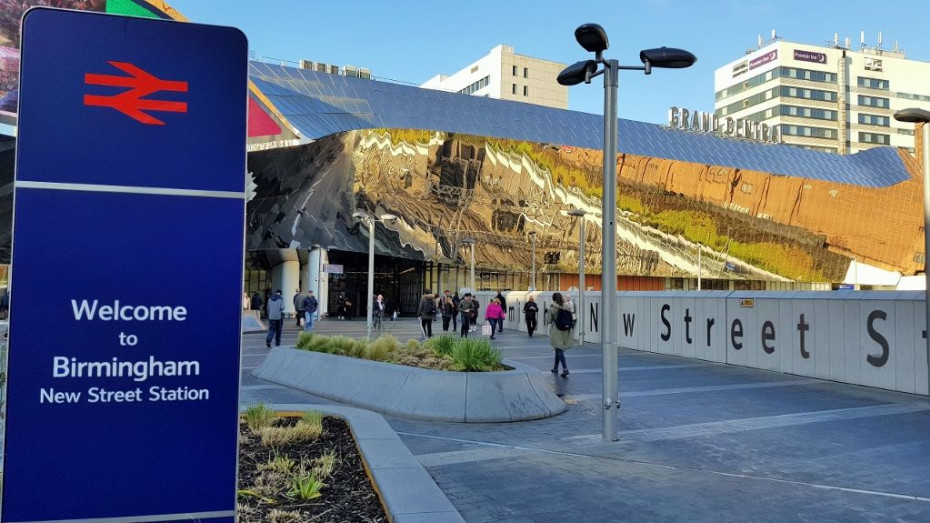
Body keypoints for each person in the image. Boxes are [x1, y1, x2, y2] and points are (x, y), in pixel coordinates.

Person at [547, 292, 573, 377]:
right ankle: (555, 368)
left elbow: (549, 320)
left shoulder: (552, 308)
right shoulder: (567, 306)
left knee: (559, 349)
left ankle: (565, 369)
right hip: (566, 331)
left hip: (557, 331)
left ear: (553, 299)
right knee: (558, 349)